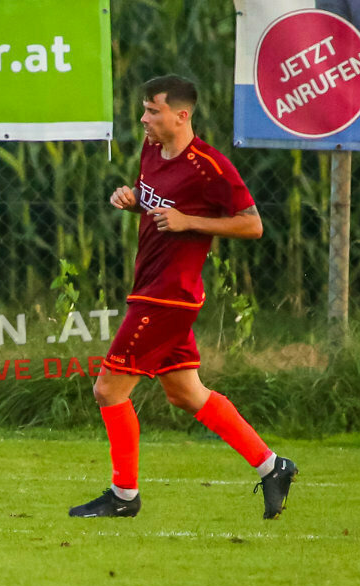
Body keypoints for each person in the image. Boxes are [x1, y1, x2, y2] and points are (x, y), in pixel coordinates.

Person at [69, 75, 298, 521]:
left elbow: (252, 225)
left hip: (169, 295)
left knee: (108, 389)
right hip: (151, 286)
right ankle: (274, 466)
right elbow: (158, 206)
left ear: (182, 115)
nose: (144, 118)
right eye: (145, 109)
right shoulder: (152, 150)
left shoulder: (209, 167)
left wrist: (189, 221)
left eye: (153, 110)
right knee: (186, 393)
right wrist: (133, 199)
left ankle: (123, 495)